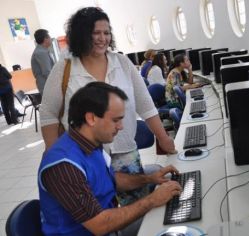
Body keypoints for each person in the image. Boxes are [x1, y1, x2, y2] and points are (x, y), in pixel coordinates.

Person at [40, 7, 176, 206]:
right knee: (101, 212)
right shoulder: (65, 69)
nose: (102, 38)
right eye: (96, 33)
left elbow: (145, 105)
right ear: (81, 34)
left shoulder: (121, 63)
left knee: (137, 209)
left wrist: (164, 138)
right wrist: (54, 156)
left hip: (124, 151)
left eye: (106, 33)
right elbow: (48, 115)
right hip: (85, 157)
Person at [38, 82, 182, 236]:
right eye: (115, 120)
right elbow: (100, 225)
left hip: (108, 226)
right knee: (166, 224)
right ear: (91, 118)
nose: (120, 127)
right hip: (100, 228)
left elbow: (110, 179)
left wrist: (150, 179)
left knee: (168, 211)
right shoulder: (63, 166)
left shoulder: (89, 142)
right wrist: (152, 200)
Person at [31, 29, 54, 95]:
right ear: (45, 39)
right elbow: (47, 72)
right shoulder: (41, 52)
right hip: (47, 86)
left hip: (47, 85)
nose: (50, 39)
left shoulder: (42, 51)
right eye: (49, 37)